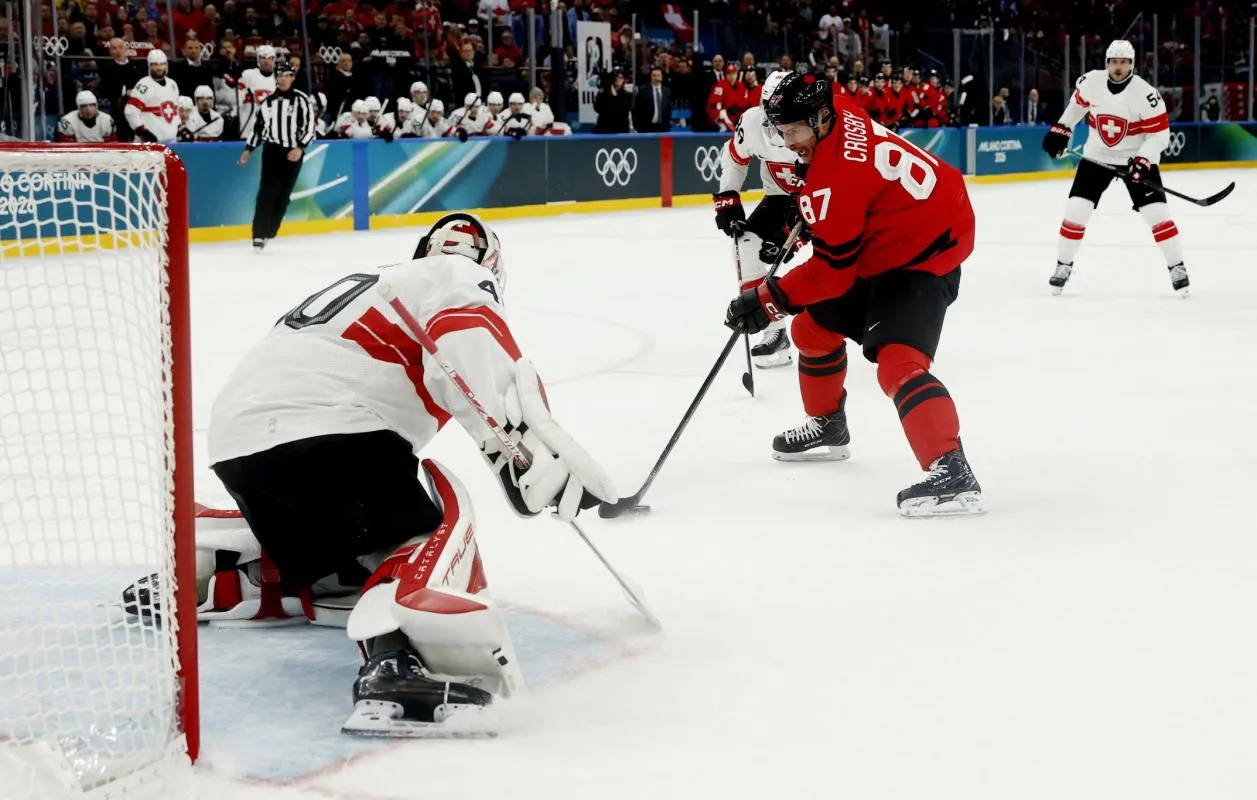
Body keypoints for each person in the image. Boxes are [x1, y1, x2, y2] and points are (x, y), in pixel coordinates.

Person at [202, 214, 616, 736]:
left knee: (347, 516)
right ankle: (400, 658)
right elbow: (466, 349)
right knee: (434, 528)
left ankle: (250, 572)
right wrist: (530, 456)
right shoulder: (456, 275)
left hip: (238, 448)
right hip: (325, 432)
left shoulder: (383, 280)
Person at [723, 72, 982, 516]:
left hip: (925, 251)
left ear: (820, 118)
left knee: (898, 363)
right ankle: (828, 425)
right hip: (893, 232)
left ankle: (951, 470)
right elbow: (845, 202)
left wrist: (769, 299)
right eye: (782, 133)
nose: (788, 143)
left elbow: (831, 275)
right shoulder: (839, 107)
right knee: (811, 331)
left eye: (794, 132)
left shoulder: (833, 178)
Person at [1041, 39, 1186, 296]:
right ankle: (1063, 265)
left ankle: (1177, 267)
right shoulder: (1091, 83)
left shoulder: (1146, 95)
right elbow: (1076, 108)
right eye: (1114, 61)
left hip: (1135, 158)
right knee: (1076, 209)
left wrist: (1143, 160)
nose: (1118, 67)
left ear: (1132, 64)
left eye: (1124, 62)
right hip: (1097, 156)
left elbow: (1159, 135)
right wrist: (1061, 129)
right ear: (1107, 63)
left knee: (1157, 213)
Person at [712, 70, 804, 369]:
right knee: (746, 245)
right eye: (769, 110)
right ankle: (774, 331)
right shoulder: (752, 122)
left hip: (828, 200)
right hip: (780, 196)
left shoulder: (816, 125)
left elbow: (839, 186)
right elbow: (734, 158)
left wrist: (798, 236)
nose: (772, 120)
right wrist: (728, 197)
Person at [238, 63, 316, 252]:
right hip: (272, 150)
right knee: (266, 193)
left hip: (293, 152)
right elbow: (258, 128)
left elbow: (310, 128)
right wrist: (248, 149)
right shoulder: (267, 102)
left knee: (283, 196)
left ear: (292, 78)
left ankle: (270, 231)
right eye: (279, 75)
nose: (282, 79)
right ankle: (258, 234)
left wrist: (299, 147)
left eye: (286, 75)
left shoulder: (302, 100)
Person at [125, 50, 182, 143]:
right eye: (155, 64)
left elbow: (175, 110)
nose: (159, 68)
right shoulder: (143, 84)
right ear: (149, 66)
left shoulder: (173, 84)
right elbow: (130, 110)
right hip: (149, 143)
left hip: (172, 141)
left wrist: (180, 127)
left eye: (162, 64)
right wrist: (142, 131)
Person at [235, 43, 277, 139]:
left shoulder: (279, 78)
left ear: (273, 59)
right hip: (248, 130)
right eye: (263, 58)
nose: (266, 61)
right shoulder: (247, 75)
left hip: (271, 133)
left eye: (269, 58)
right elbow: (237, 101)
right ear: (258, 59)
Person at [632, 66, 672, 133]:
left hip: (663, 128)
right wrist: (637, 126)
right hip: (646, 128)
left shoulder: (667, 91)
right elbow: (636, 109)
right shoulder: (643, 90)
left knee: (666, 143)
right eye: (654, 75)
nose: (656, 77)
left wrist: (667, 125)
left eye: (658, 75)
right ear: (651, 77)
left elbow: (668, 109)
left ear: (662, 77)